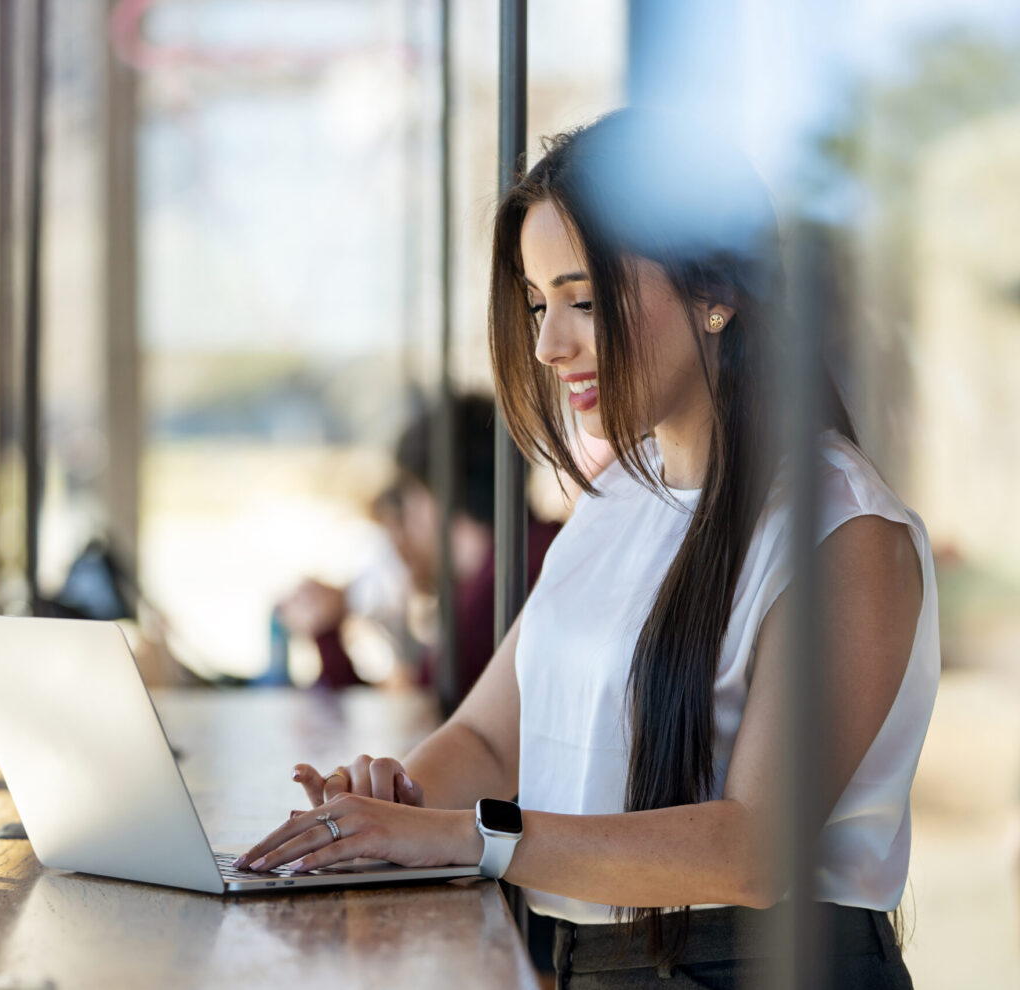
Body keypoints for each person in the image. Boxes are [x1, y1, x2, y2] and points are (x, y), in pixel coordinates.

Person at [236, 109, 939, 988]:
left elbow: (753, 848)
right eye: (537, 304)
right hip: (582, 962)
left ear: (717, 291)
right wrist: (387, 807)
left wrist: (464, 836)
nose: (547, 344)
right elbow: (492, 738)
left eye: (584, 300)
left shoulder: (844, 533)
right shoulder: (616, 499)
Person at [276, 394, 560, 701]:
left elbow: (420, 720)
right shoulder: (537, 552)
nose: (409, 520)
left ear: (437, 495)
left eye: (410, 496)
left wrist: (327, 633)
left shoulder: (495, 595)